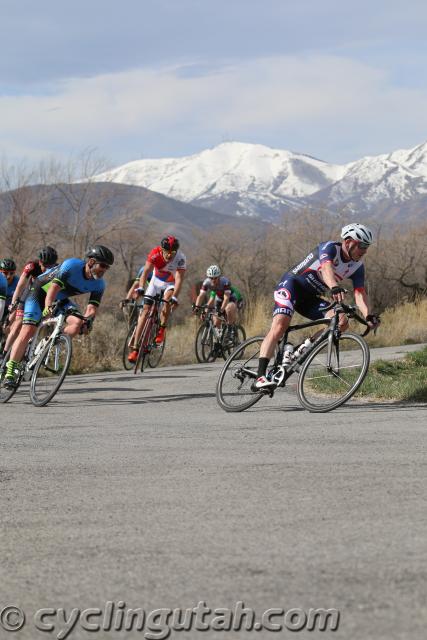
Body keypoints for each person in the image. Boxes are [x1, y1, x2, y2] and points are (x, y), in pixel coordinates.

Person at [253, 223, 381, 391]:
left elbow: (360, 293)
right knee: (280, 326)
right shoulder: (330, 248)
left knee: (341, 322)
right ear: (349, 242)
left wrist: (368, 315)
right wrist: (334, 286)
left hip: (310, 298)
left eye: (367, 247)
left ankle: (301, 349)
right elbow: (326, 268)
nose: (365, 251)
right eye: (362, 246)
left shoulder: (357, 266)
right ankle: (260, 377)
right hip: (291, 285)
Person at [3, 245, 114, 389]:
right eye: (103, 265)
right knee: (28, 329)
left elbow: (92, 308)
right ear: (91, 262)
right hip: (39, 292)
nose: (105, 270)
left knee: (78, 322)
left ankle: (49, 343)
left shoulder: (99, 284)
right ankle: (10, 371)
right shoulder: (71, 265)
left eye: (107, 267)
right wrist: (48, 307)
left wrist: (89, 320)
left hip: (60, 298)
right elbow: (53, 288)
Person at [127, 236, 186, 363]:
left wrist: (175, 297)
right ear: (161, 249)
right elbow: (145, 272)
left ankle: (162, 329)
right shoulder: (155, 253)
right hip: (155, 282)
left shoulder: (180, 258)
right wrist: (141, 288)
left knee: (167, 300)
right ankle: (135, 349)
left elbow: (179, 279)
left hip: (170, 284)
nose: (169, 255)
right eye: (167, 252)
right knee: (144, 312)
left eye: (173, 252)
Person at [1, 247, 59, 360]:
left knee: (41, 326)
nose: (47, 269)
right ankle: (4, 353)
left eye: (50, 267)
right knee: (18, 324)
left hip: (44, 297)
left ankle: (31, 353)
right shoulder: (32, 266)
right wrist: (13, 303)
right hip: (29, 294)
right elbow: (20, 286)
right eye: (45, 266)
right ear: (40, 262)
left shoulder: (58, 268)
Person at [194, 265, 241, 337]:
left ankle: (230, 328)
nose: (213, 280)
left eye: (215, 278)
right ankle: (219, 339)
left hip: (230, 298)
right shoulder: (206, 283)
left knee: (228, 308)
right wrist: (197, 307)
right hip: (219, 300)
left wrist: (221, 310)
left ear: (219, 277)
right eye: (211, 278)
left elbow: (226, 298)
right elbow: (201, 296)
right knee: (215, 320)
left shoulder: (224, 281)